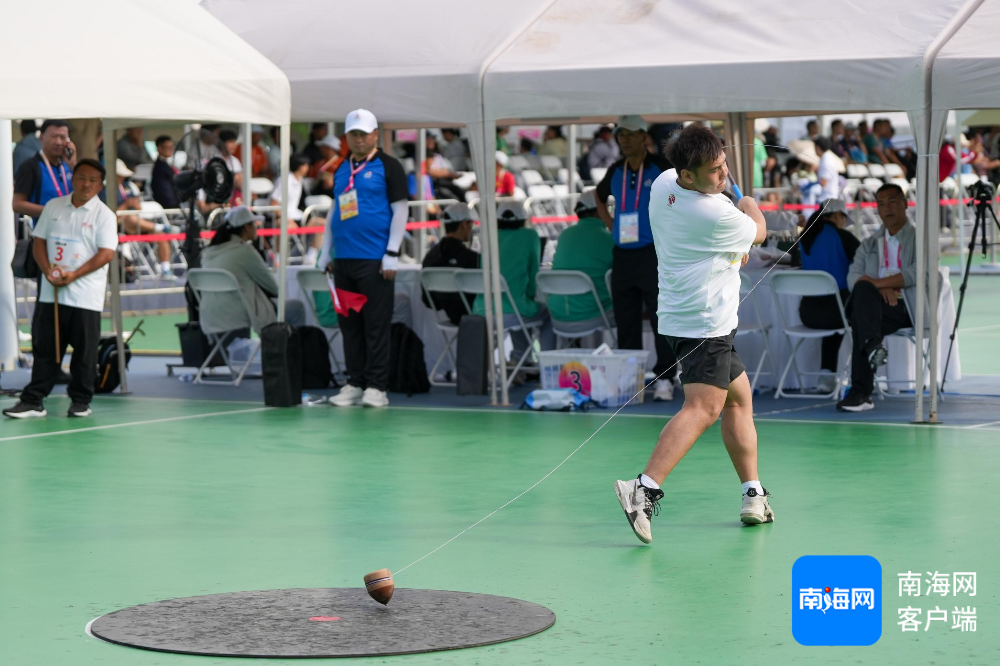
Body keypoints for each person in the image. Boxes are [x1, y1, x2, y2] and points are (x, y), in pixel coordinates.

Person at [613, 123, 771, 545]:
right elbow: (759, 231)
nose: (722, 177)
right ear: (687, 175)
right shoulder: (716, 214)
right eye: (714, 171)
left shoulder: (663, 182)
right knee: (704, 408)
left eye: (723, 166)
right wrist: (751, 202)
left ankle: (752, 494)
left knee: (740, 399)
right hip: (706, 324)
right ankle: (643, 488)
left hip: (682, 318)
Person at [3, 160, 117, 419]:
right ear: (72, 179)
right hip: (50, 292)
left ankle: (80, 401)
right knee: (45, 348)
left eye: (92, 179)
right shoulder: (54, 206)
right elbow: (39, 242)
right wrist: (47, 271)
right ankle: (33, 400)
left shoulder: (105, 216)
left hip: (86, 296)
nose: (86, 184)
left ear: (100, 185)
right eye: (81, 178)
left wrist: (74, 274)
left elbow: (106, 253)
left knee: (85, 352)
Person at [321, 109, 409, 409]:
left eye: (364, 133)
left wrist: (392, 253)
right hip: (344, 259)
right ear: (347, 136)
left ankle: (377, 387)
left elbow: (401, 209)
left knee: (376, 325)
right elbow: (335, 211)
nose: (359, 139)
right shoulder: (341, 169)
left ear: (375, 135)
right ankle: (355, 383)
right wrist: (325, 252)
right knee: (351, 326)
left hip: (375, 260)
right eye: (353, 134)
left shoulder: (389, 166)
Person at [595, 115, 679, 401]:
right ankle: (629, 379)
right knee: (626, 318)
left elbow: (681, 198)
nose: (625, 140)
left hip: (653, 254)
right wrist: (611, 224)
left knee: (660, 319)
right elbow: (598, 195)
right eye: (621, 135)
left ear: (644, 136)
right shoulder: (616, 169)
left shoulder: (661, 168)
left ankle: (666, 377)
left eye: (631, 134)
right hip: (622, 254)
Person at [836, 183, 918, 412]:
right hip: (875, 307)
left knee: (863, 310)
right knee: (863, 301)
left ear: (904, 204)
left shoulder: (919, 239)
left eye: (892, 201)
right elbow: (853, 278)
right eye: (881, 204)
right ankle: (872, 346)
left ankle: (860, 392)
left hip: (908, 307)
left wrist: (878, 284)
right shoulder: (869, 243)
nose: (887, 208)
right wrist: (879, 289)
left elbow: (917, 273)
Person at [199, 206, 305, 335]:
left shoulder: (209, 252)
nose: (257, 227)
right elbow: (274, 288)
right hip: (237, 313)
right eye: (254, 224)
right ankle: (290, 352)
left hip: (209, 316)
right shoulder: (244, 251)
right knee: (297, 308)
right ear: (246, 227)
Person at [472, 201, 553, 366]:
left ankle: (522, 361)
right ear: (523, 220)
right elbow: (532, 277)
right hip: (513, 310)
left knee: (522, 307)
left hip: (481, 310)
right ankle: (547, 366)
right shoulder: (530, 236)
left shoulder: (488, 236)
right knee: (545, 313)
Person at [797, 199, 860, 391]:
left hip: (807, 313)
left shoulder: (805, 238)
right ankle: (863, 376)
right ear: (838, 215)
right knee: (849, 313)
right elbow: (867, 259)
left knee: (836, 313)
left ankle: (826, 375)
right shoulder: (843, 237)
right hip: (837, 312)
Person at [547, 190, 614, 328]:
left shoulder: (564, 235)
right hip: (596, 315)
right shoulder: (609, 238)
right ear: (599, 211)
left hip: (559, 317)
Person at [13, 119, 77, 235]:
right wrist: (52, 212)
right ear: (41, 138)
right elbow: (17, 204)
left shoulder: (67, 165)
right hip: (44, 237)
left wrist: (73, 165)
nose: (58, 142)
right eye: (53, 136)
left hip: (71, 234)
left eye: (63, 137)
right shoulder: (31, 165)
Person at [421, 203, 480, 325]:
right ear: (463, 224)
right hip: (475, 317)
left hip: (447, 318)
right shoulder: (472, 258)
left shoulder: (430, 256)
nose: (471, 228)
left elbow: (427, 300)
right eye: (471, 224)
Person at [115, 159, 175, 277]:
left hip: (137, 224)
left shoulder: (128, 187)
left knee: (160, 234)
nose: (122, 178)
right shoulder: (105, 190)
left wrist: (136, 206)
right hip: (118, 227)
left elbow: (138, 209)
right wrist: (125, 205)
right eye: (120, 175)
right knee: (129, 218)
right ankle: (160, 226)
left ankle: (165, 269)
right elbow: (112, 215)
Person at [270, 154, 322, 266]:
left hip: (298, 216)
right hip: (283, 218)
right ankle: (278, 259)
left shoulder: (300, 180)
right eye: (306, 165)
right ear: (301, 167)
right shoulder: (284, 180)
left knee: (322, 223)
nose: (308, 168)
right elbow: (273, 203)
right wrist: (286, 219)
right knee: (283, 225)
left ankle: (311, 256)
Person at [151, 135, 180, 209]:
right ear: (160, 149)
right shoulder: (160, 166)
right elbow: (164, 190)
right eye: (168, 147)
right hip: (168, 204)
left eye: (172, 147)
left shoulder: (167, 163)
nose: (171, 150)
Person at [815, 136, 842, 202]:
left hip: (827, 198)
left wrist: (810, 185)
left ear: (818, 147)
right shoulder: (827, 157)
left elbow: (823, 182)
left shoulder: (826, 160)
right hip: (828, 197)